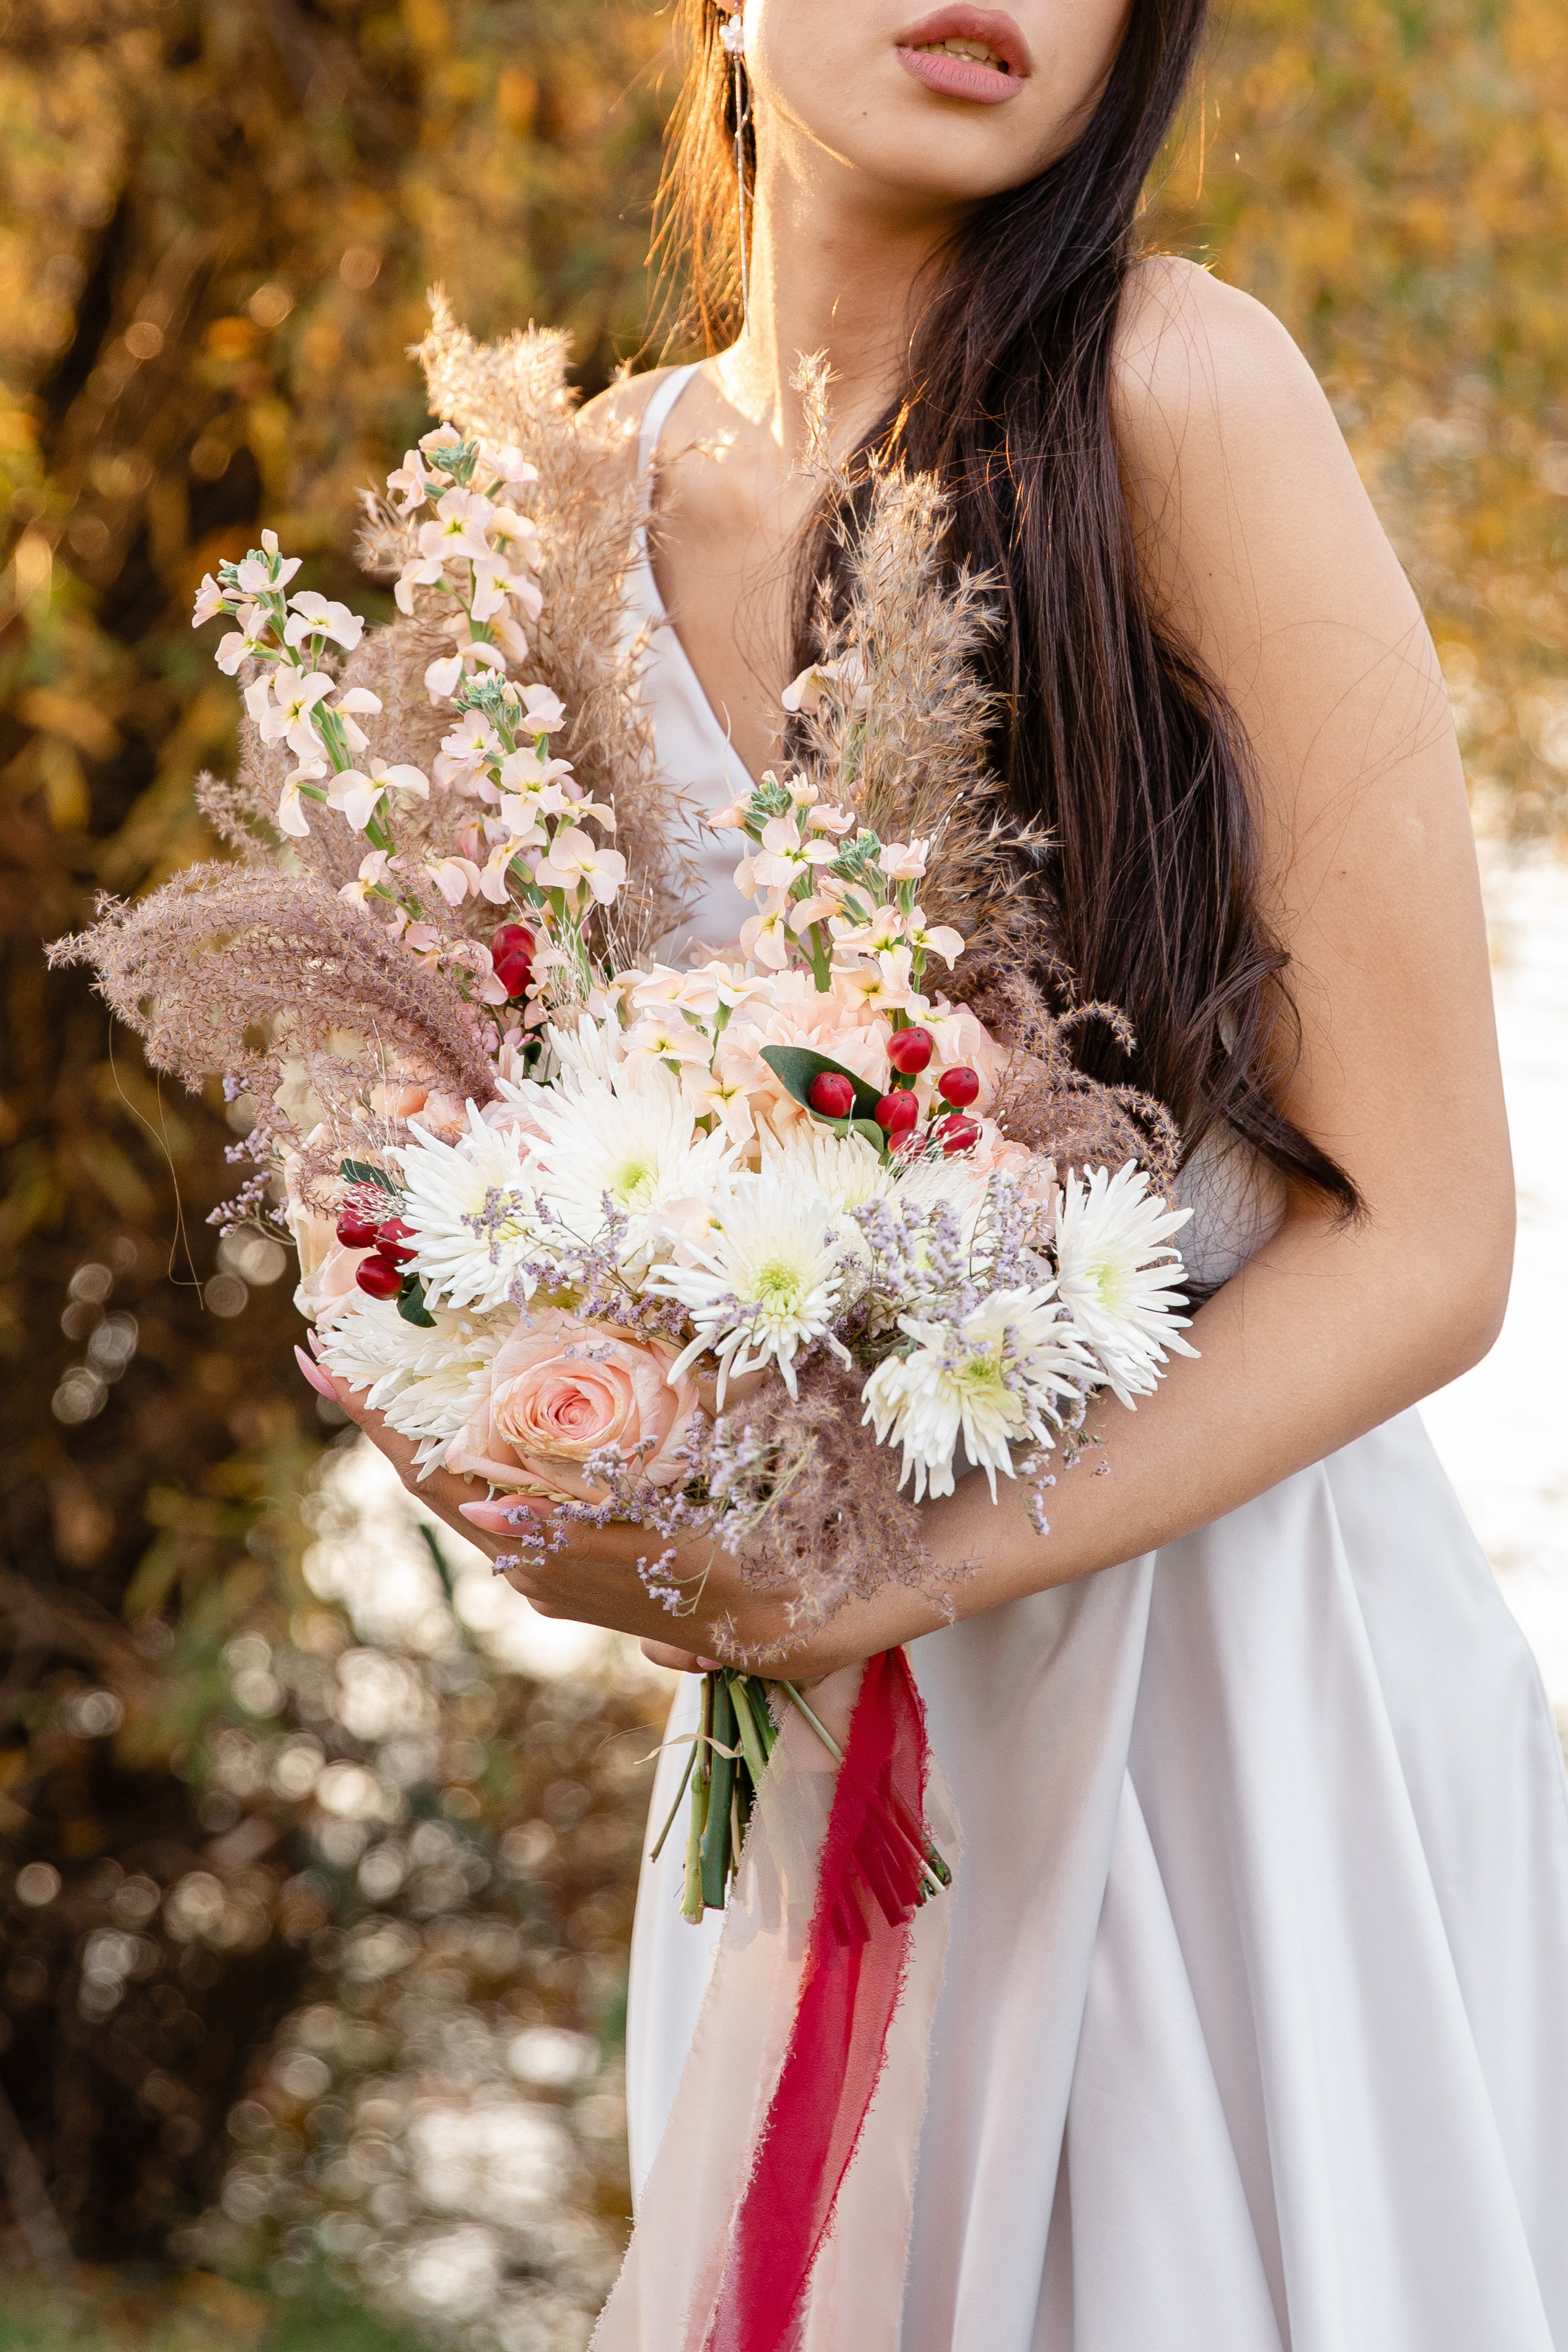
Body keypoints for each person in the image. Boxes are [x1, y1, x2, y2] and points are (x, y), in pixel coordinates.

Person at [328, 0, 1568, 2341]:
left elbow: (1433, 1241)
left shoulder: (1179, 398)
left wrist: (877, 1571)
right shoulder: (551, 515)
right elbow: (431, 1178)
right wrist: (551, 1465)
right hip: (813, 1780)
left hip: (1251, 1729)